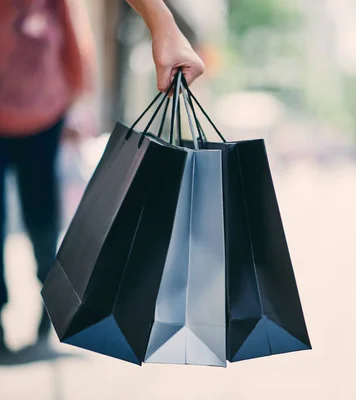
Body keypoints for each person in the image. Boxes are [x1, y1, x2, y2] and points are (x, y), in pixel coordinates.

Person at [0, 0, 204, 353]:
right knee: (38, 216)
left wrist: (161, 23)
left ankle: (49, 310)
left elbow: (75, 39)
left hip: (44, 109)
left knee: (42, 218)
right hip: (42, 105)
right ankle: (36, 312)